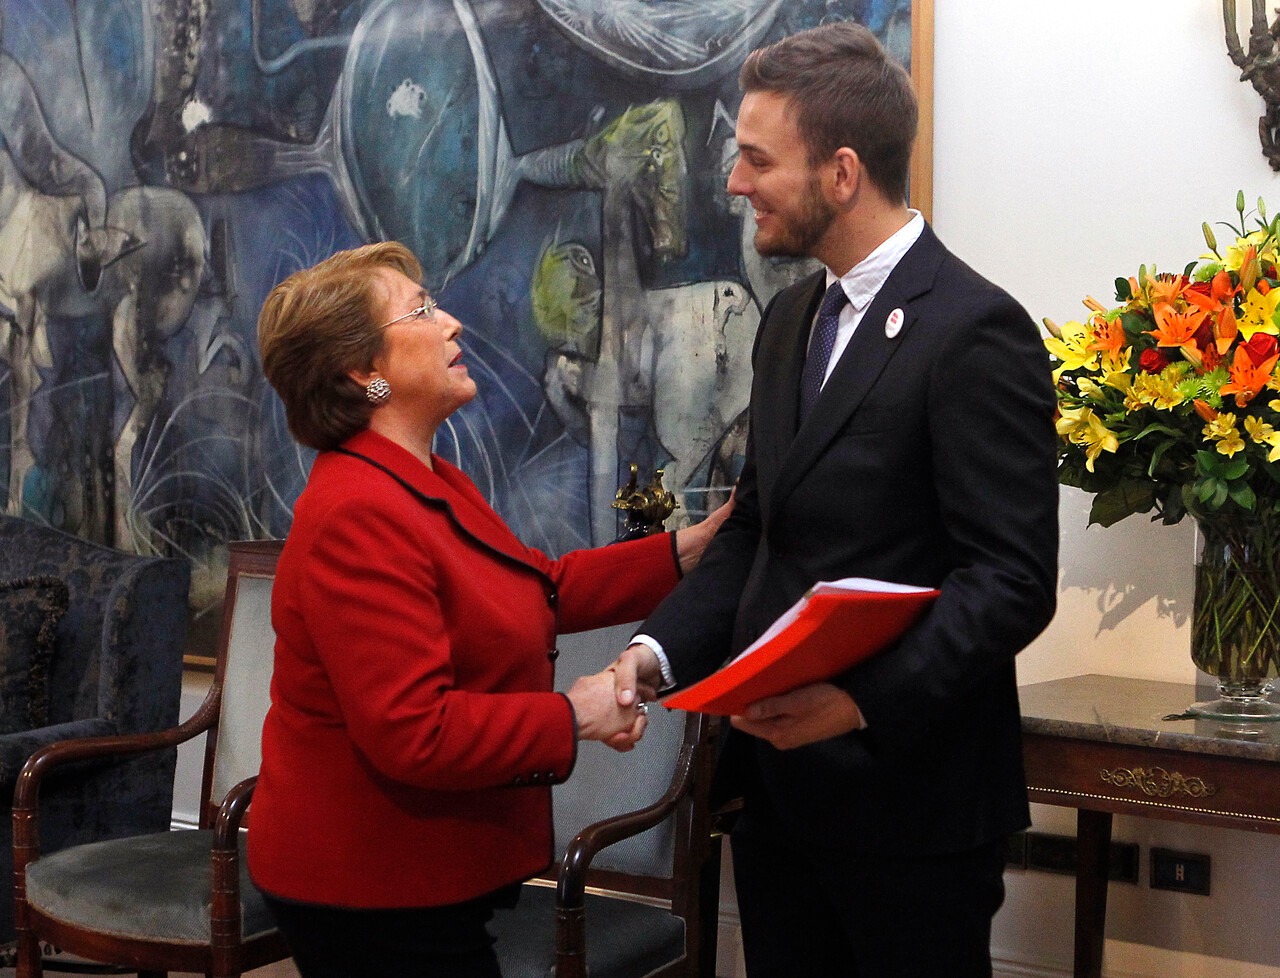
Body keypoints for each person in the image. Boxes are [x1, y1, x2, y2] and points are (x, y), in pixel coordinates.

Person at [612, 22, 1059, 978]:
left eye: (756, 159)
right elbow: (757, 532)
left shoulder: (976, 330)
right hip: (779, 802)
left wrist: (857, 702)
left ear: (842, 171)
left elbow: (1013, 582)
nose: (734, 182)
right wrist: (655, 653)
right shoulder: (788, 321)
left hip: (912, 808)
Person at [246, 241, 727, 978]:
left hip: (420, 876)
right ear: (363, 372)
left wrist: (689, 549)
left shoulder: (424, 481)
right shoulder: (357, 512)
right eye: (422, 310)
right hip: (370, 883)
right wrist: (576, 714)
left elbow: (544, 586)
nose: (452, 325)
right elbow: (415, 730)